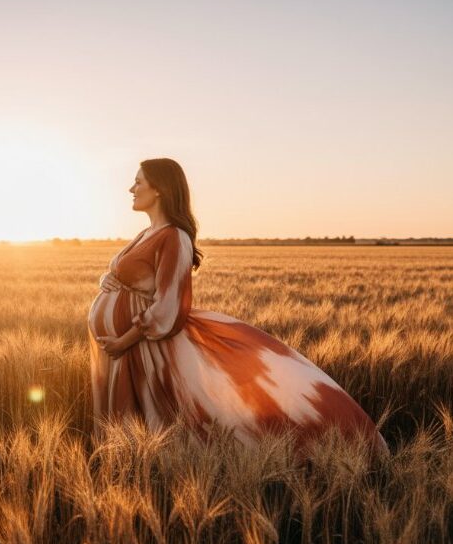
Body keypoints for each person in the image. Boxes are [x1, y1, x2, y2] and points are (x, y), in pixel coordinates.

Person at [87, 158, 389, 458]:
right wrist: (107, 280)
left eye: (138, 182)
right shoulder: (146, 233)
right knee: (130, 424)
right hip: (125, 348)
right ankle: (125, 470)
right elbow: (127, 275)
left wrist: (122, 341)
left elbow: (169, 305)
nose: (131, 189)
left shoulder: (175, 237)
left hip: (144, 349)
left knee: (166, 425)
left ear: (159, 189)